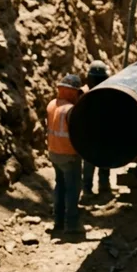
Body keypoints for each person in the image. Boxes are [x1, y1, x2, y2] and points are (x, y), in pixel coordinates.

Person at [46, 74, 85, 234]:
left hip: (54, 152)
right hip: (69, 155)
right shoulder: (71, 110)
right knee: (72, 189)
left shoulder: (51, 105)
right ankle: (72, 225)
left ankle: (58, 222)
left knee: (60, 187)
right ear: (72, 92)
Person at [81, 60, 112, 201]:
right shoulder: (107, 93)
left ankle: (90, 189)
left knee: (93, 164)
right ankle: (101, 188)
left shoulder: (84, 94)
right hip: (97, 135)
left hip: (93, 136)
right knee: (100, 164)